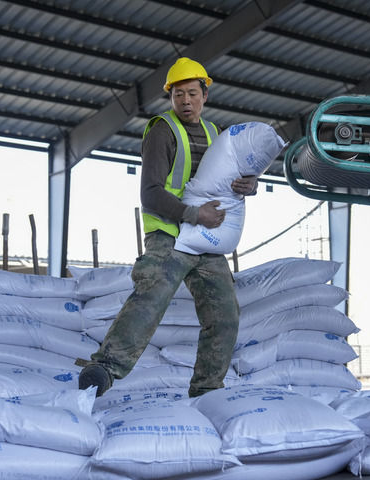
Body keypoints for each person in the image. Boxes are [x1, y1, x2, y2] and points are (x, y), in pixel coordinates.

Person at [75, 57, 258, 398]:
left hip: (205, 239)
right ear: (170, 97)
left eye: (192, 93)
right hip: (170, 234)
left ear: (205, 96)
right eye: (178, 94)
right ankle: (104, 368)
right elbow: (150, 193)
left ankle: (207, 388)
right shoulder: (162, 130)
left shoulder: (215, 133)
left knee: (224, 313)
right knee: (151, 297)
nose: (185, 101)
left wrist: (249, 185)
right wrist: (194, 214)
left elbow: (228, 182)